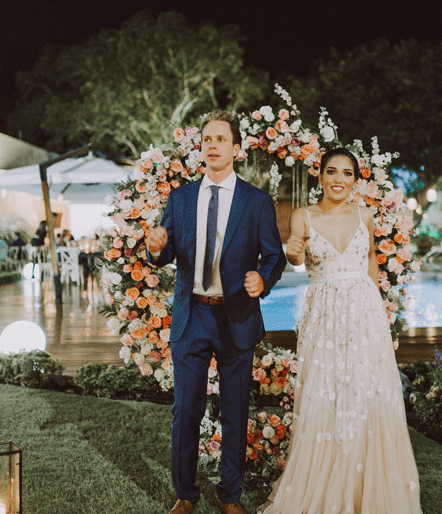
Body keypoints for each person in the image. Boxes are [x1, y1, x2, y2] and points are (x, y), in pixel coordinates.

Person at [258, 148, 421, 514]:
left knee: (366, 392)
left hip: (365, 316)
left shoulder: (366, 215)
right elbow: (296, 256)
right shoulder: (303, 215)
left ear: (355, 180)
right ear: (320, 177)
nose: (338, 179)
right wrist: (293, 251)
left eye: (347, 173)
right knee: (326, 392)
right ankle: (326, 487)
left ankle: (367, 491)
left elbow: (370, 258)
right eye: (331, 171)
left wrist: (378, 308)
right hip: (325, 316)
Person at [146, 110, 286, 514]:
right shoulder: (181, 198)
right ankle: (185, 494)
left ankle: (230, 496)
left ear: (236, 149)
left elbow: (274, 256)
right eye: (207, 138)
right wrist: (155, 249)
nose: (212, 144)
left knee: (235, 411)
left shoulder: (256, 201)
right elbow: (166, 251)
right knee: (185, 410)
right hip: (191, 316)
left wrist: (263, 279)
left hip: (235, 317)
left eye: (221, 139)